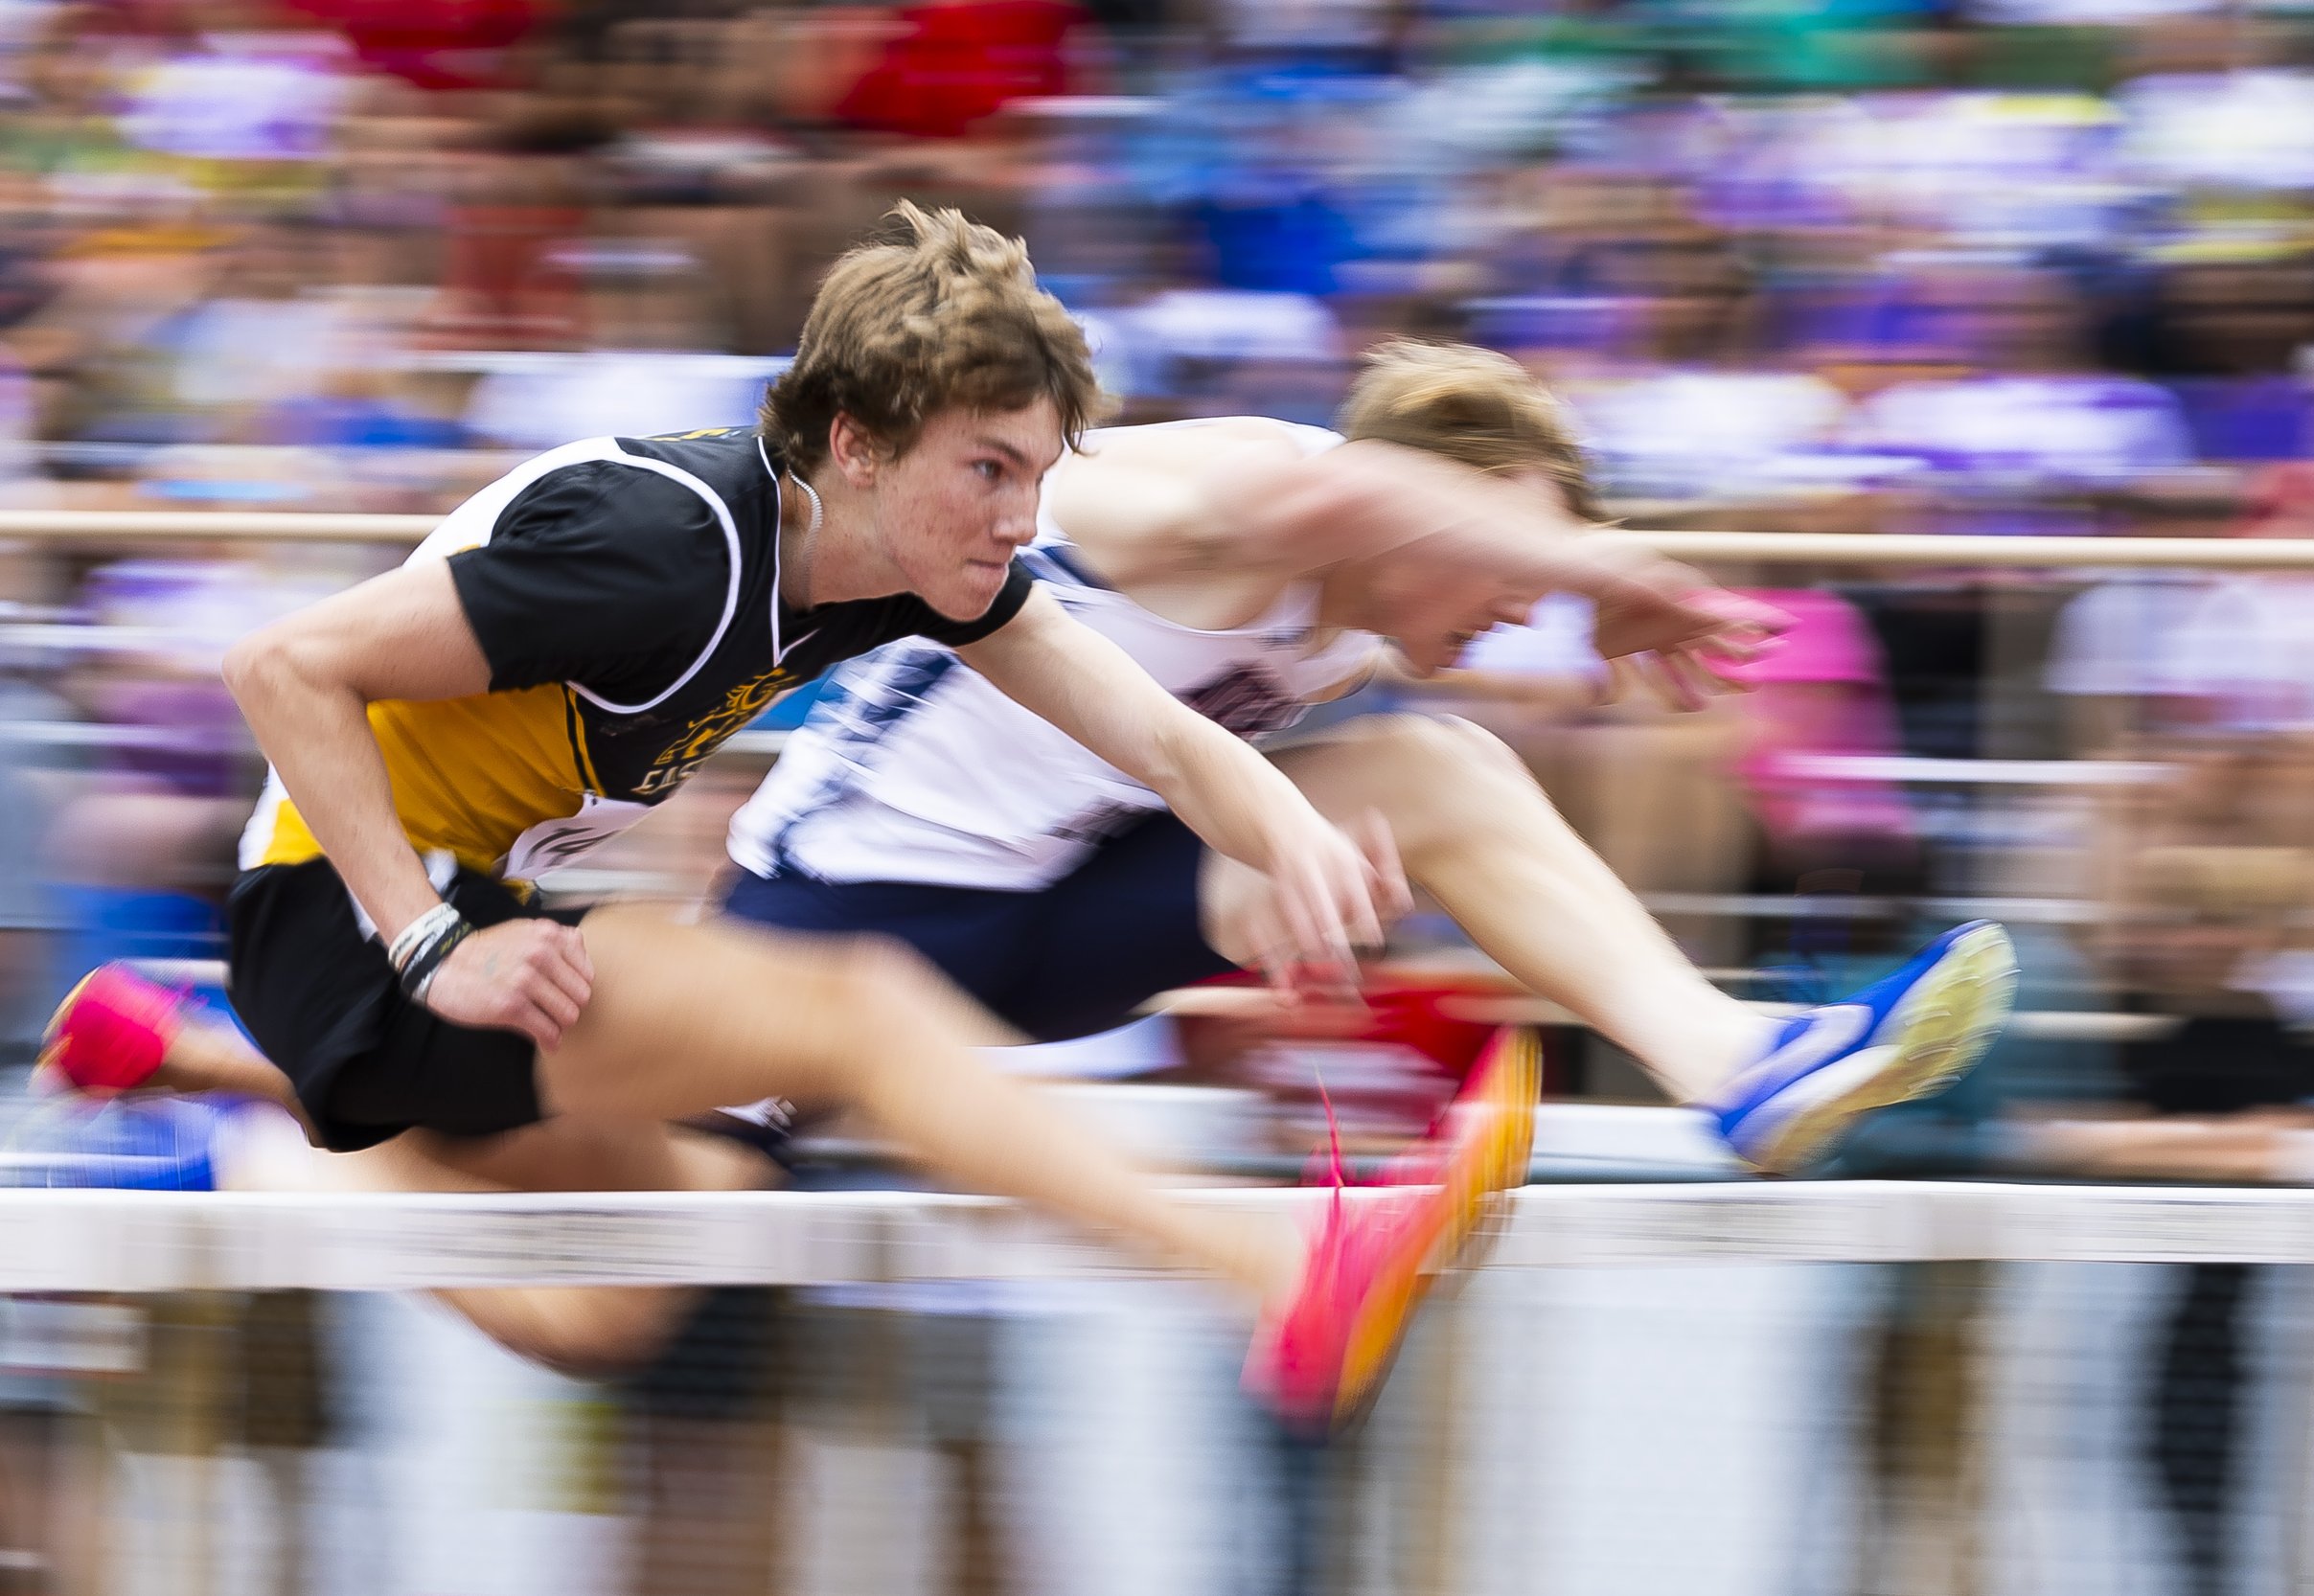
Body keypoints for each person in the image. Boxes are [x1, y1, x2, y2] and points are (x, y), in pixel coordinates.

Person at [40, 206, 1544, 1438]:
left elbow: (1151, 729)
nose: (1028, 519)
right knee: (864, 1016)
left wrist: (1295, 844)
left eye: (1038, 474)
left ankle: (228, 1124)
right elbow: (283, 663)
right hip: (367, 925)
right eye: (991, 470)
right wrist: (428, 940)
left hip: (467, 921)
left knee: (650, 1263)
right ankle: (1276, 1265)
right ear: (857, 443)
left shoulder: (893, 561)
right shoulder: (661, 548)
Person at [719, 339, 2018, 1174]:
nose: (1524, 603)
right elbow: (1346, 494)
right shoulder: (1217, 490)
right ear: (1433, 486)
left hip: (1044, 935)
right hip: (835, 928)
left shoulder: (1358, 636)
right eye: (1507, 552)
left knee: (1440, 770)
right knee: (629, 1288)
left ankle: (1733, 1062)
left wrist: (1276, 862)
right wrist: (1599, 562)